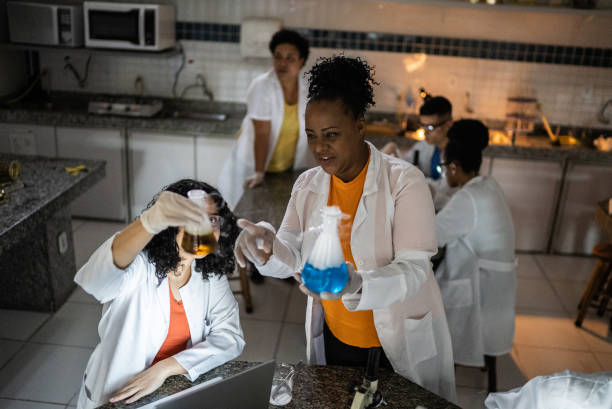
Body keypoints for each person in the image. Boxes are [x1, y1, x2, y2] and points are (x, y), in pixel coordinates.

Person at [233, 55, 456, 402]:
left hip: (393, 345)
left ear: (360, 125)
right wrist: (266, 243)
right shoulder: (308, 184)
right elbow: (290, 254)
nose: (320, 147)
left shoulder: (404, 183)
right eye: (312, 136)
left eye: (332, 135)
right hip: (336, 336)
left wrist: (357, 283)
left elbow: (415, 270)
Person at [74, 179, 244, 409]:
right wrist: (150, 221)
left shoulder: (209, 273)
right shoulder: (141, 265)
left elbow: (230, 337)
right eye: (193, 217)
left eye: (212, 219)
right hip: (119, 395)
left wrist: (165, 369)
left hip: (173, 388)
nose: (205, 227)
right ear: (171, 222)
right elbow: (96, 281)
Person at [434, 120, 516, 369]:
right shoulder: (488, 184)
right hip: (496, 285)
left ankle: (428, 361)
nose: (444, 172)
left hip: (481, 287)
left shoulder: (468, 197)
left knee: (419, 288)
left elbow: (430, 236)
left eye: (444, 167)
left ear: (455, 167)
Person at [218, 29, 316, 210]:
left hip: (287, 169)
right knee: (245, 216)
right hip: (255, 168)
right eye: (278, 57)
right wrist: (259, 173)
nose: (282, 63)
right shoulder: (262, 86)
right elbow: (262, 132)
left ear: (301, 61)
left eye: (290, 58)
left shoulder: (307, 88)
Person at [382, 95, 456, 211]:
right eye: (423, 126)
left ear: (448, 125)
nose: (425, 133)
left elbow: (445, 192)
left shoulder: (458, 155)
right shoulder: (425, 145)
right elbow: (406, 163)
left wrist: (416, 179)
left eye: (430, 127)